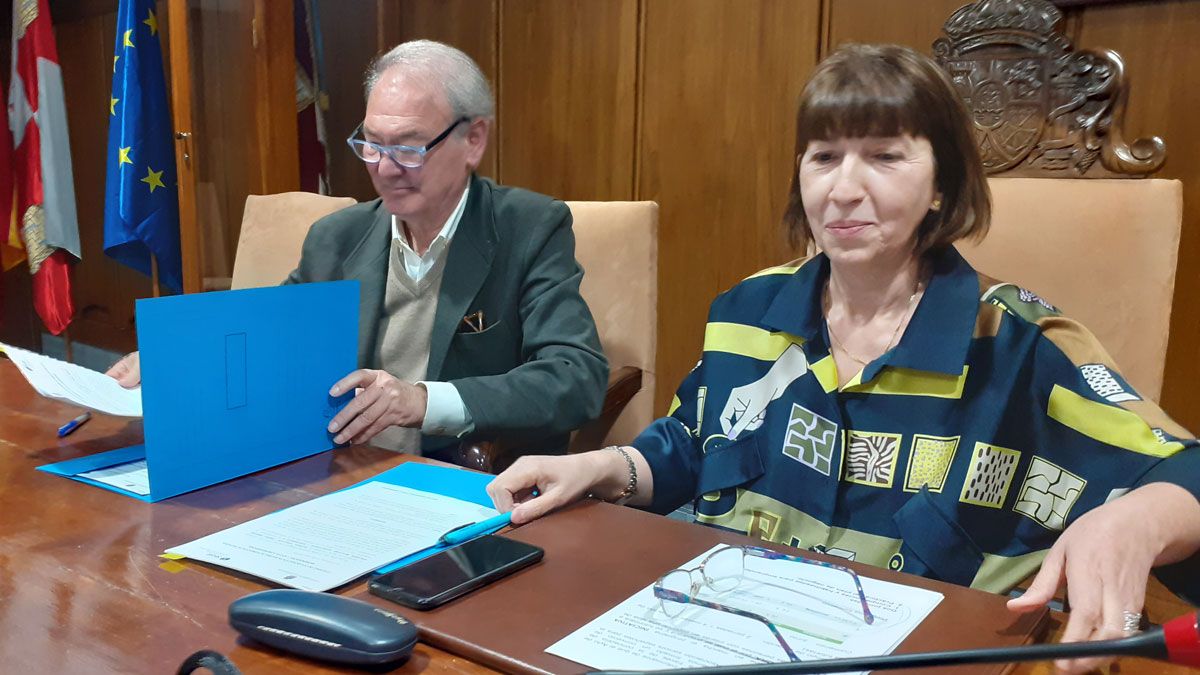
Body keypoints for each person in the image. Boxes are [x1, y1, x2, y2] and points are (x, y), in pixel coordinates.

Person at [486, 44, 1200, 673]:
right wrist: (604, 466)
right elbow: (694, 442)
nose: (843, 188)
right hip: (725, 636)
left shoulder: (1018, 343)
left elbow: (1182, 470)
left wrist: (1134, 520)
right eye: (823, 157)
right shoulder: (746, 311)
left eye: (886, 156)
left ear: (941, 186)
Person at [107, 40, 608, 465]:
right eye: (371, 144)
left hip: (459, 481)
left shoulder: (529, 228)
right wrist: (173, 357)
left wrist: (421, 401)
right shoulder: (337, 236)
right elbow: (267, 332)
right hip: (337, 470)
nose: (385, 168)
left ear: (473, 138)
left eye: (409, 148)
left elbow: (575, 377)